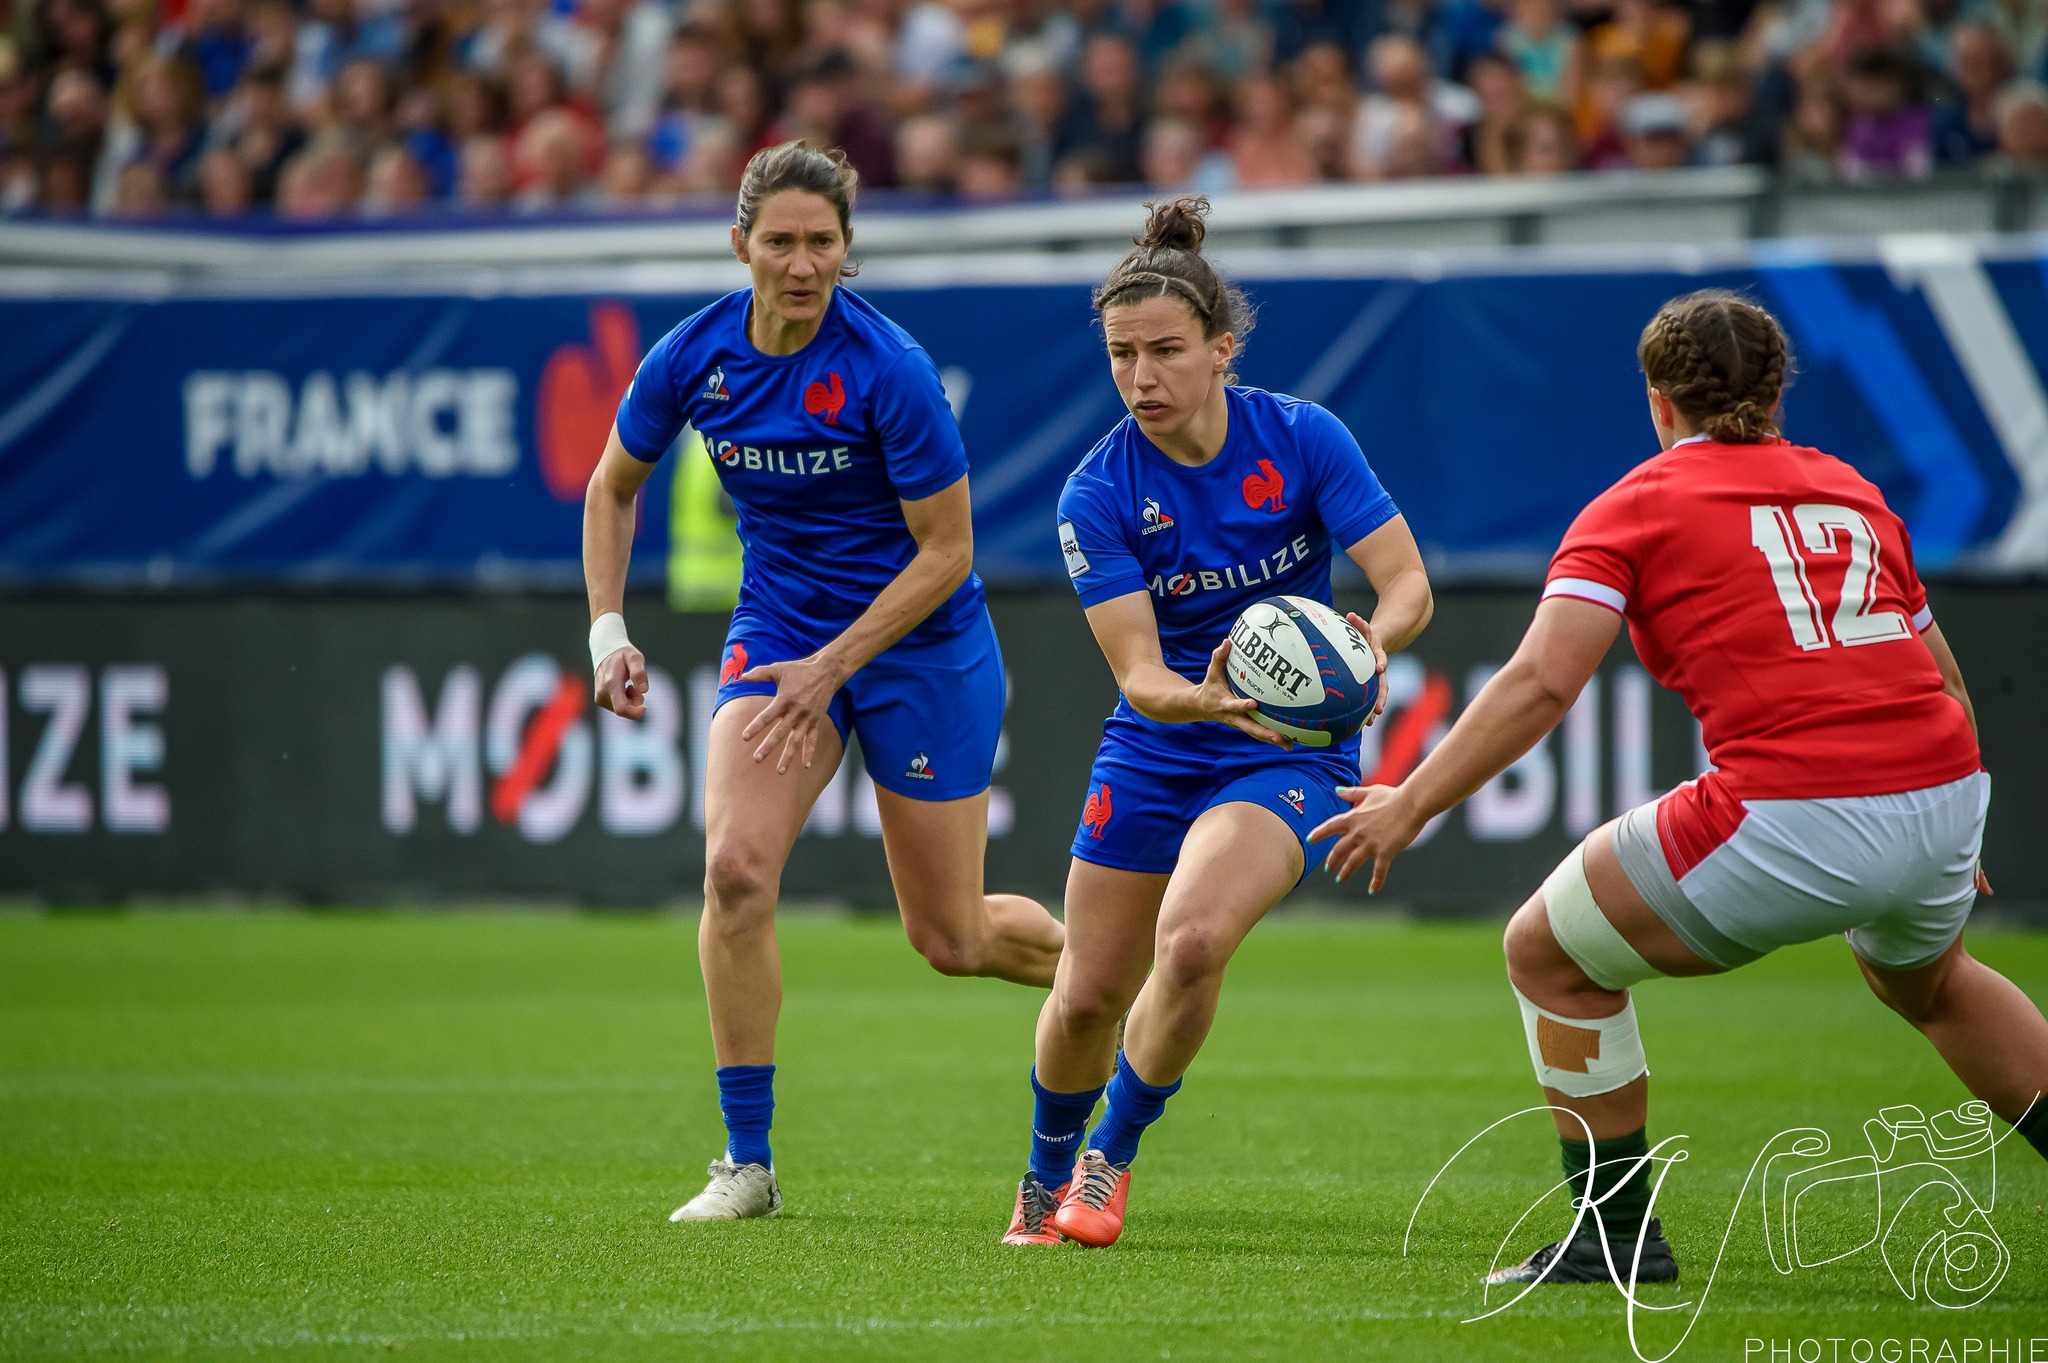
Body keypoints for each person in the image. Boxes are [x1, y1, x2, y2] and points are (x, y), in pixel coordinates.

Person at [1313, 289, 2048, 1285]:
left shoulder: (1634, 504)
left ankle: (1612, 1238)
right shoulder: (1851, 491)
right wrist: (1940, 831)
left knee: (1546, 953)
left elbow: (1537, 682)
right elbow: (1944, 681)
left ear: (1658, 402)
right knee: (1935, 986)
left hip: (1793, 806)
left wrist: (1409, 799)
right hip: (1941, 787)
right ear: (1778, 391)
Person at [582, 141, 1067, 1223]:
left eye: (822, 241)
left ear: (848, 250)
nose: (801, 262)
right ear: (739, 244)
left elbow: (946, 550)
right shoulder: (691, 357)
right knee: (736, 875)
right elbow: (612, 488)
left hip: (921, 645)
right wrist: (606, 629)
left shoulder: (888, 367)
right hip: (781, 632)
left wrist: (834, 665)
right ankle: (745, 1165)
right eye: (780, 240)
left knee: (950, 941)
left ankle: (1108, 982)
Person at [1001, 196, 1434, 1248]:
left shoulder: (1301, 437)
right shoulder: (1093, 491)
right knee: (1087, 993)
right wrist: (1203, 697)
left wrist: (1371, 646)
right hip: (1162, 739)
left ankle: (1110, 1156)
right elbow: (1140, 675)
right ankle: (1039, 1174)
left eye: (1163, 351)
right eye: (1119, 356)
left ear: (1219, 348)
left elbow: (1406, 583)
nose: (1140, 378)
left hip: (1289, 750)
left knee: (1191, 942)